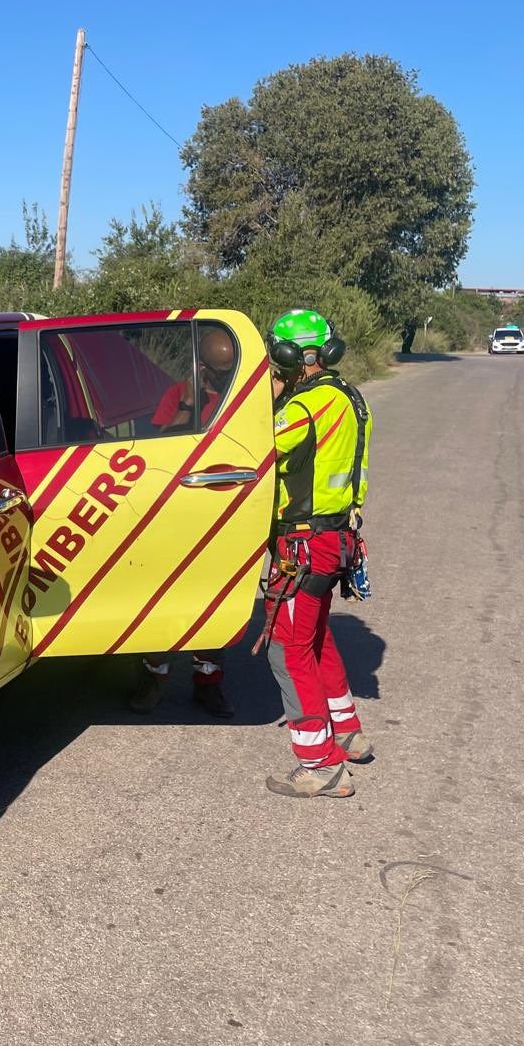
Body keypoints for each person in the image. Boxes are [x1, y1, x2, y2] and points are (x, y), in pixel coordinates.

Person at [260, 308, 375, 798]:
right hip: (334, 540)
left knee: (286, 647)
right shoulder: (349, 396)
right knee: (315, 637)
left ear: (286, 355)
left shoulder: (304, 407)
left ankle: (319, 762)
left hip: (302, 544)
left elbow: (256, 448)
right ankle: (347, 732)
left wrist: (267, 401)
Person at [130, 327, 238, 717]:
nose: (222, 378)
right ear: (201, 366)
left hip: (221, 512)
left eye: (229, 372)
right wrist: (188, 406)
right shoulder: (177, 395)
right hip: (174, 516)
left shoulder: (238, 400)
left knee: (213, 604)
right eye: (217, 371)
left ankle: (208, 683)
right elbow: (161, 450)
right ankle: (154, 677)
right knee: (161, 600)